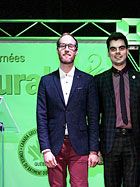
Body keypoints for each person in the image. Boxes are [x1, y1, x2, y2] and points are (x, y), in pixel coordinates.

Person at [36, 33, 99, 187]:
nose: (66, 49)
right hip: (54, 147)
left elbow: (93, 117)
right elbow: (41, 117)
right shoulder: (46, 81)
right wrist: (45, 149)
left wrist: (93, 151)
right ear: (57, 50)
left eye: (70, 46)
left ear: (76, 51)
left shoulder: (87, 80)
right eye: (63, 46)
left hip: (80, 146)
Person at [95, 32, 140, 187]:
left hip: (134, 142)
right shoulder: (99, 80)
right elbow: (93, 116)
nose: (117, 52)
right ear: (108, 53)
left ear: (127, 51)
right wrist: (96, 147)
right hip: (110, 142)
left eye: (121, 48)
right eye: (113, 49)